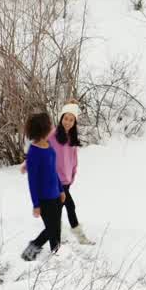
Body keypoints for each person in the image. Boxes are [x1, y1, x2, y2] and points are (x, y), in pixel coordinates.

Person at [21, 112, 66, 261]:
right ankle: (30, 250)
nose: (52, 126)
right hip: (44, 200)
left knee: (56, 226)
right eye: (50, 124)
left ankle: (56, 251)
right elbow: (32, 182)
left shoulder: (49, 146)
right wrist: (36, 205)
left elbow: (54, 171)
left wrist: (61, 190)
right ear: (43, 129)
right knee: (51, 228)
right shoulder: (34, 153)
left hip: (56, 196)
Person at [51, 99, 93, 245]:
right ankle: (79, 238)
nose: (67, 122)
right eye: (65, 118)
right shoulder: (53, 135)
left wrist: (72, 176)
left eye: (71, 120)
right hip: (55, 180)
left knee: (58, 210)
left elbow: (73, 160)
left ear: (74, 122)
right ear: (61, 118)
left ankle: (55, 238)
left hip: (67, 181)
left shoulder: (72, 138)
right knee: (70, 206)